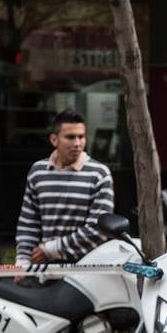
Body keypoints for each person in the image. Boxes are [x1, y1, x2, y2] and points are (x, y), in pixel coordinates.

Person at [15, 108, 114, 267]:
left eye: (81, 137)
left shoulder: (99, 174)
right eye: (70, 137)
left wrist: (51, 250)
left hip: (86, 271)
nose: (77, 143)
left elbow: (98, 229)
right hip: (44, 269)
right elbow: (29, 223)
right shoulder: (38, 172)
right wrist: (23, 261)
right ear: (54, 140)